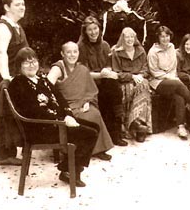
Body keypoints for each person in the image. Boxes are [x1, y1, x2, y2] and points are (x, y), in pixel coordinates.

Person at [8, 47, 99, 187]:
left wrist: (68, 115)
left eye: (34, 61)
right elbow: (33, 111)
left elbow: (61, 100)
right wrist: (62, 120)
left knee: (94, 126)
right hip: (39, 129)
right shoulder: (18, 83)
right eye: (26, 63)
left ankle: (67, 167)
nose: (32, 65)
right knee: (89, 134)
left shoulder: (42, 80)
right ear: (19, 65)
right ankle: (70, 171)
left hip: (55, 123)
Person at [47, 42, 113, 161]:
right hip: (65, 106)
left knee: (94, 113)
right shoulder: (58, 67)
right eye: (68, 52)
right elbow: (47, 85)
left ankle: (97, 149)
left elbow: (89, 91)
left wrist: (87, 101)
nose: (72, 55)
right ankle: (72, 150)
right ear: (62, 54)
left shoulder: (82, 69)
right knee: (82, 118)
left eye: (75, 51)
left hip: (81, 102)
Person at [0, 0, 29, 166]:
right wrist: (6, 78)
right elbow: (1, 52)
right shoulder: (2, 27)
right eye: (17, 4)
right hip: (2, 76)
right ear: (7, 7)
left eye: (23, 4)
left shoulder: (16, 26)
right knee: (4, 111)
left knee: (14, 112)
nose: (22, 7)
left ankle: (12, 150)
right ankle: (5, 155)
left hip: (15, 76)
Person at [77, 16, 127, 146]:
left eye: (95, 28)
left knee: (114, 90)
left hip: (104, 79)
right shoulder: (81, 47)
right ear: (85, 32)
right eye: (90, 30)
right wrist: (100, 74)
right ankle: (109, 135)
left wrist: (107, 70)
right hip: (90, 80)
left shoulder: (104, 45)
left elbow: (109, 64)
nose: (93, 32)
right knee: (106, 94)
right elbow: (83, 71)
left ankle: (115, 131)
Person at [147, 26, 190, 139]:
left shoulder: (172, 47)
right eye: (162, 36)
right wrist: (170, 78)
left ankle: (181, 126)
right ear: (158, 38)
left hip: (172, 80)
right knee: (177, 85)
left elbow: (174, 67)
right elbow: (154, 72)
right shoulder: (153, 52)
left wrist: (173, 77)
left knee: (179, 96)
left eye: (167, 36)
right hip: (158, 81)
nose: (165, 39)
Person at [111, 27, 152, 142]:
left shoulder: (141, 51)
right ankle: (126, 126)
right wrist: (132, 76)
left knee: (143, 85)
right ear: (122, 38)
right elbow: (116, 72)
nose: (129, 39)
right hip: (124, 81)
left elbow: (146, 69)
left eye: (132, 37)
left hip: (139, 79)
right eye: (126, 37)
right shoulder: (116, 52)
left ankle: (140, 126)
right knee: (127, 89)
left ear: (135, 38)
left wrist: (140, 76)